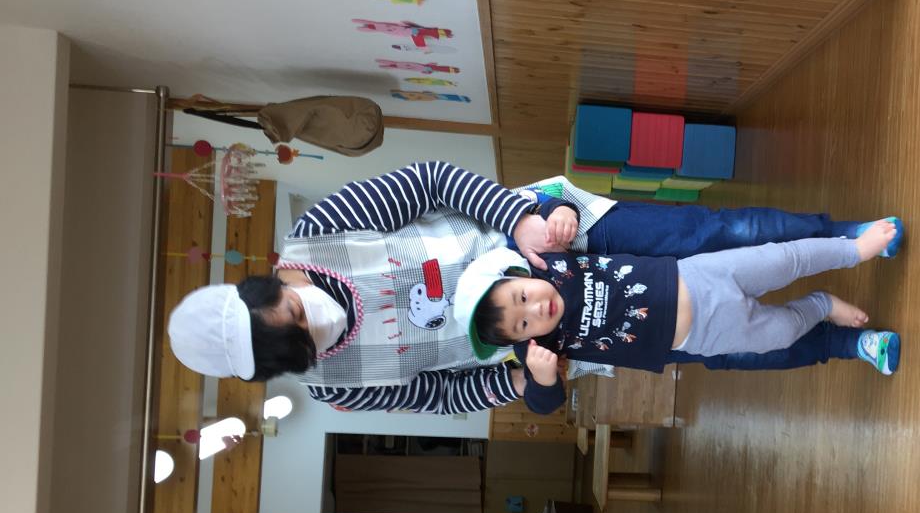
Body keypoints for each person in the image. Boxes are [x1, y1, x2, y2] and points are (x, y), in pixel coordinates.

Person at [166, 160, 883, 414]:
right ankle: (840, 341)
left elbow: (430, 181)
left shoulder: (320, 233)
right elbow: (440, 396)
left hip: (558, 241)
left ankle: (843, 240)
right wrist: (522, 379)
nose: (317, 324)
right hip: (560, 326)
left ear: (265, 287)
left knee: (717, 236)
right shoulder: (337, 388)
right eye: (305, 344)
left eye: (298, 310)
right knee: (724, 347)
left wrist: (520, 220)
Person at [464, 221, 904, 415]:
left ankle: (854, 249)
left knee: (784, 259)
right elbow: (543, 405)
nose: (535, 310)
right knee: (783, 332)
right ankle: (823, 305)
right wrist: (543, 379)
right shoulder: (544, 348)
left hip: (700, 277)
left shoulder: (550, 263)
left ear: (520, 274)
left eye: (523, 297)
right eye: (523, 324)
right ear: (522, 340)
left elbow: (556, 206)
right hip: (704, 335)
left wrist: (559, 214)